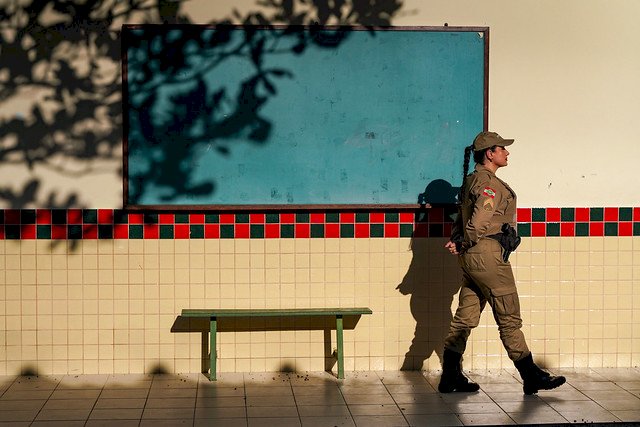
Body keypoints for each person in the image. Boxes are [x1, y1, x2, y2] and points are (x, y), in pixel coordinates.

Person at [438, 131, 566, 395]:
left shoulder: (471, 181)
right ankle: (531, 375)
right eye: (502, 149)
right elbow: (479, 221)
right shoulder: (489, 184)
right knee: (509, 317)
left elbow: (462, 220)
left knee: (465, 317)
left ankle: (450, 376)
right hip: (488, 259)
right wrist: (462, 241)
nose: (507, 153)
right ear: (490, 153)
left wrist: (459, 241)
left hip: (472, 259)